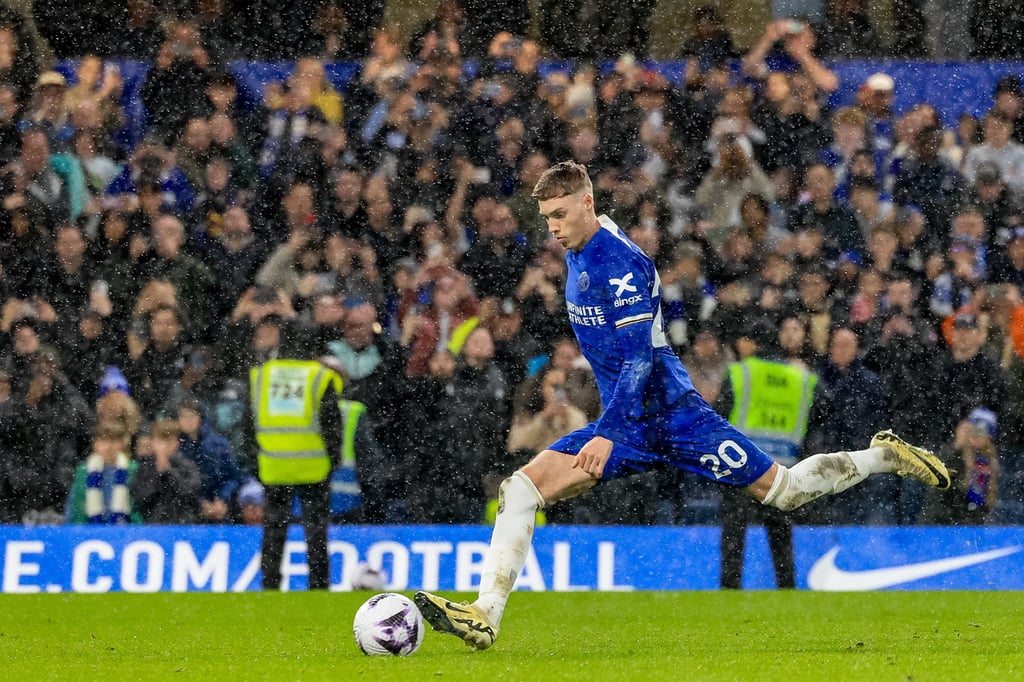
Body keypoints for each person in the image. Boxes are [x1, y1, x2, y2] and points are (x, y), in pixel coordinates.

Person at [414, 160, 951, 650]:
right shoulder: (578, 256)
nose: (553, 227)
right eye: (545, 217)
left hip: (674, 416)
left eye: (560, 214)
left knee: (785, 494)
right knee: (521, 488)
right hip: (625, 423)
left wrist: (605, 433)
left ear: (587, 203)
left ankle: (883, 455)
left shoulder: (621, 265)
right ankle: (485, 614)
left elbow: (638, 361)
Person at [716, 320, 819, 589]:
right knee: (780, 531)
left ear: (750, 343)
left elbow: (719, 416)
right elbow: (823, 413)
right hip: (782, 467)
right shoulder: (802, 377)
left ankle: (730, 586)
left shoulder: (741, 372)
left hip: (741, 466)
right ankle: (786, 586)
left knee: (734, 530)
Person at [244, 350, 343, 590]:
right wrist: (332, 461)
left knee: (274, 528)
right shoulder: (318, 375)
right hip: (314, 465)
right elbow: (332, 424)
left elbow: (248, 423)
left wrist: (254, 462)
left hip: (274, 465)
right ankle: (319, 585)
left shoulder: (262, 375)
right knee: (316, 530)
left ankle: (270, 584)